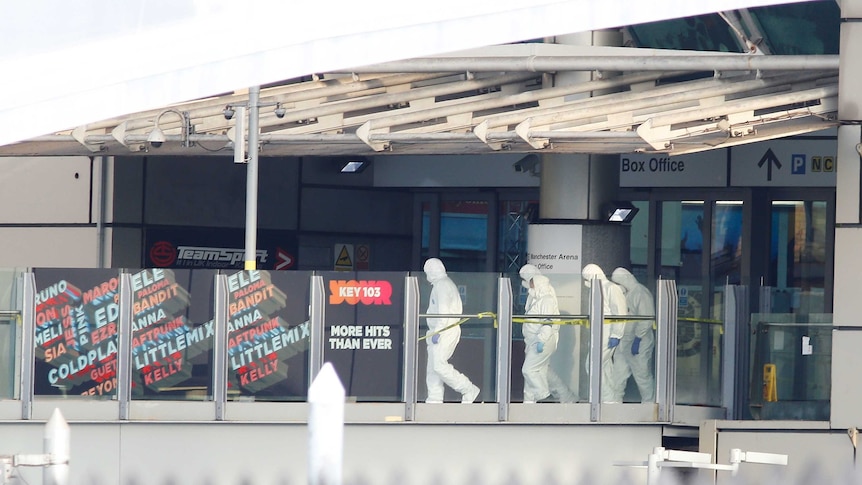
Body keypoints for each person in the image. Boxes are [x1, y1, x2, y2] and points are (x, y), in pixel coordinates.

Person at [423, 258, 480, 403]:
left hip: (444, 331)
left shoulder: (442, 285)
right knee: (433, 368)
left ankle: (468, 388)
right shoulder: (441, 285)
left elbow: (444, 312)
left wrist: (439, 332)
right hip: (438, 331)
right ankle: (434, 397)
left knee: (439, 365)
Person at [520, 267, 577, 403]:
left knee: (530, 370)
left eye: (529, 280)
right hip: (534, 339)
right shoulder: (536, 295)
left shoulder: (546, 296)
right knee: (544, 372)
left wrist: (542, 340)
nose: (528, 284)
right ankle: (567, 397)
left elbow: (548, 321)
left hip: (541, 340)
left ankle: (540, 399)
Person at [581, 263, 628, 403]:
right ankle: (610, 400)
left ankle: (606, 399)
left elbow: (620, 312)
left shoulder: (611, 288)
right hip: (598, 334)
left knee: (592, 365)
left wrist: (616, 334)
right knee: (605, 368)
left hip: (607, 335)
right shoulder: (596, 290)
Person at [611, 267, 656, 403]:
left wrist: (638, 338)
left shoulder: (640, 293)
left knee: (642, 375)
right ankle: (614, 404)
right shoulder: (628, 294)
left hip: (640, 342)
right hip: (624, 341)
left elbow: (647, 318)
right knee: (618, 375)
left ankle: (649, 405)